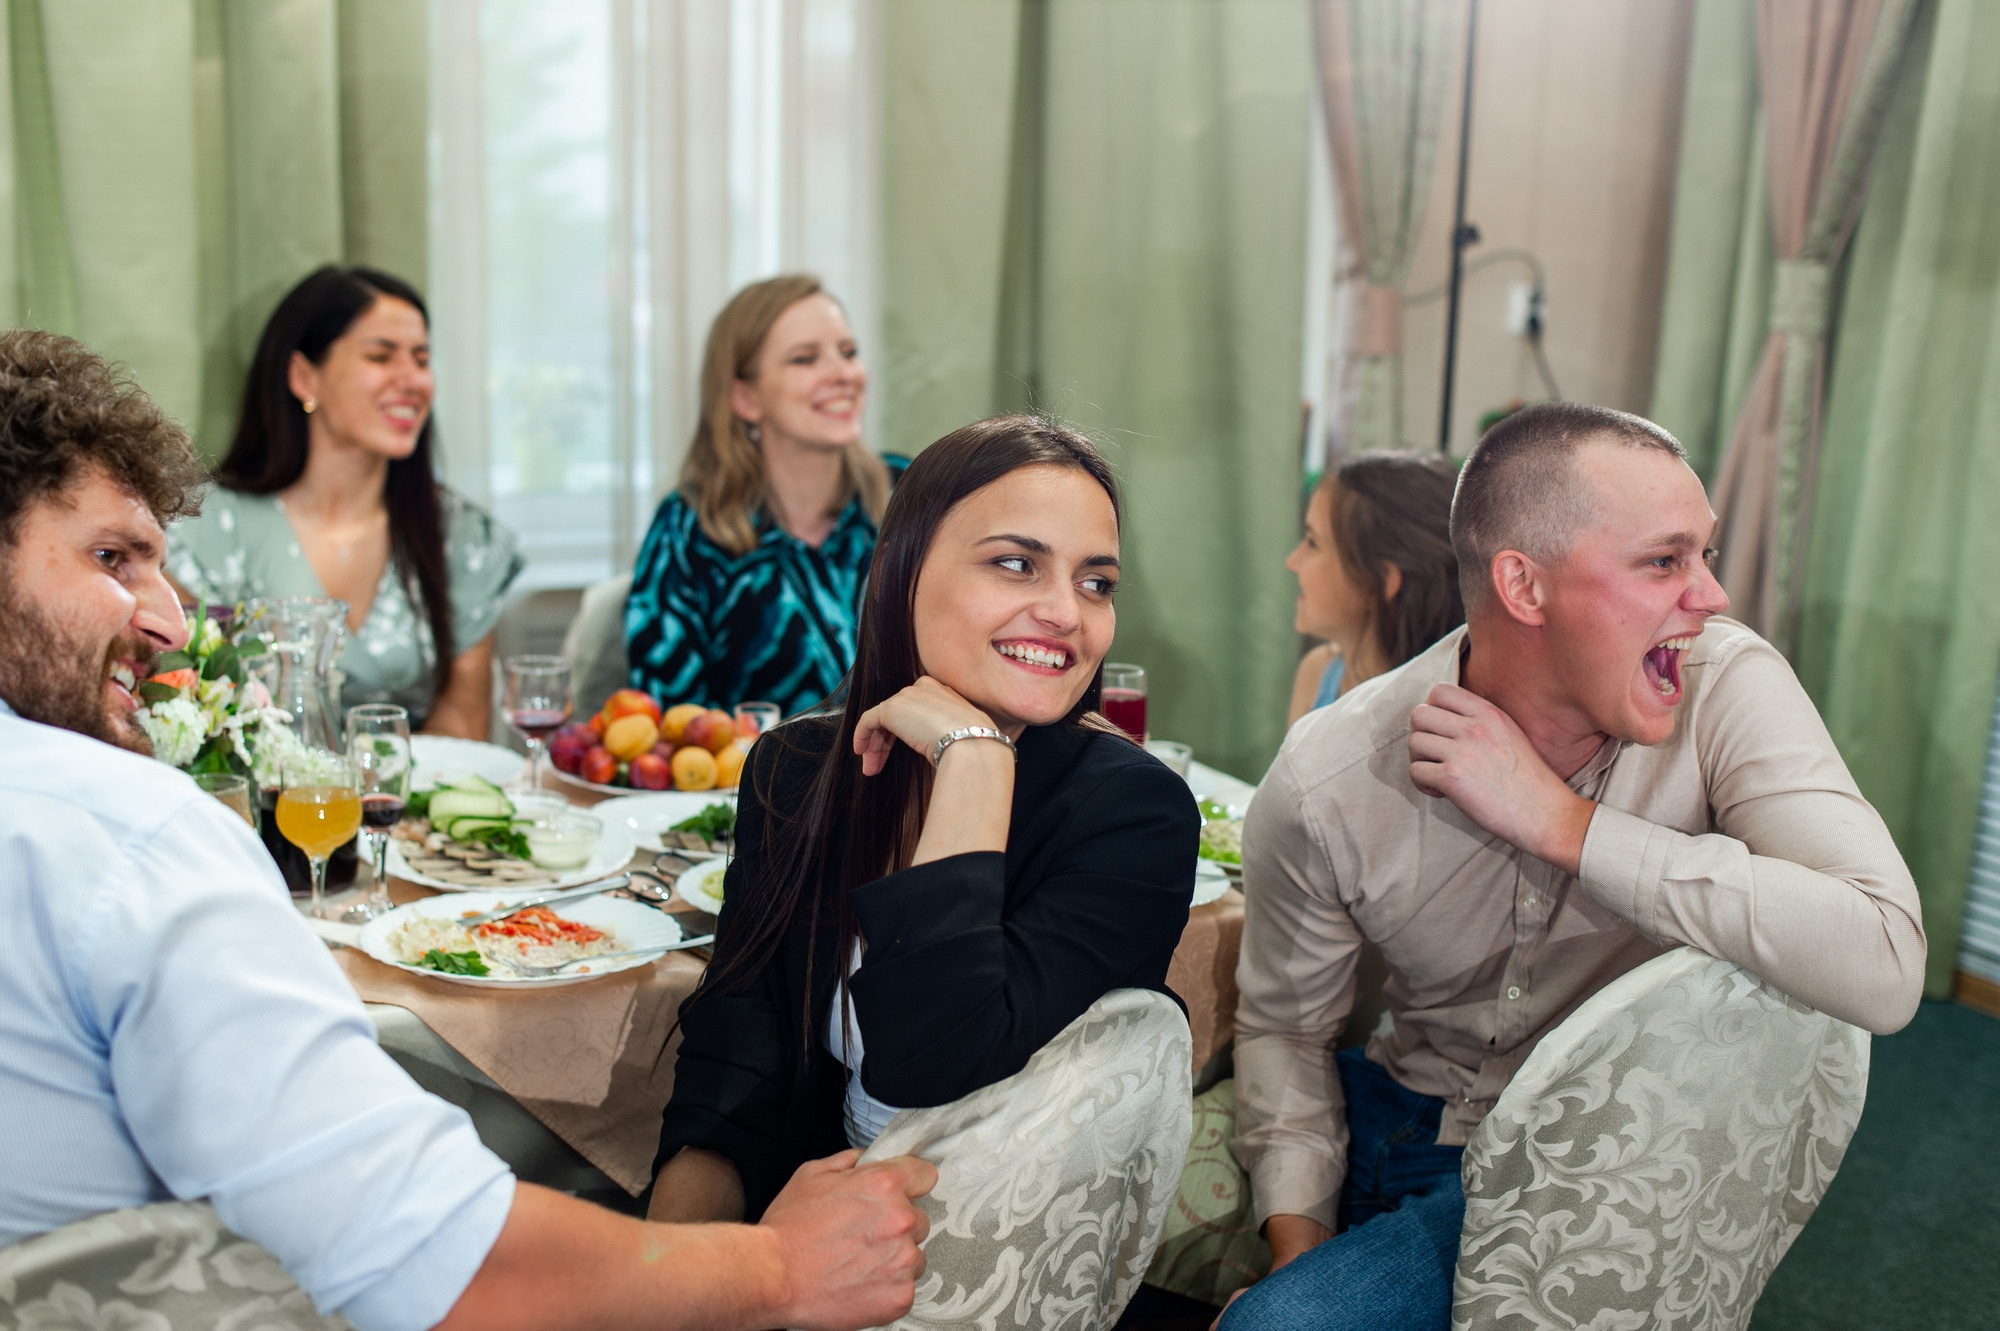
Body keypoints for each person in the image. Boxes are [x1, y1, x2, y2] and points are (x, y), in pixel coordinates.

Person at [0, 328, 936, 1331]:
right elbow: (445, 1260)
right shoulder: (128, 836)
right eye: (111, 557)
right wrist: (782, 1266)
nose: (172, 624)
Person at [1225, 402, 1925, 1330]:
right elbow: (1286, 1029)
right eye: (1665, 560)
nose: (1713, 595)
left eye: (1705, 554)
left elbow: (1886, 958)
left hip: (1618, 1149)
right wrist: (1297, 1245)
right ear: (1524, 585)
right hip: (1412, 1121)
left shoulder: (1726, 686)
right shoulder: (1331, 776)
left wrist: (1569, 825)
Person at [649, 415, 1198, 1223]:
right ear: (900, 572)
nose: (1066, 611)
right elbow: (732, 1062)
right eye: (1016, 563)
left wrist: (975, 760)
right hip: (799, 1220)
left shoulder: (1135, 816)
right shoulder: (794, 768)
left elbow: (927, 1059)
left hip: (984, 1249)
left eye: (1096, 583)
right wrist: (687, 1263)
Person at [167, 265, 519, 737]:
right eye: (380, 356)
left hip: (412, 784)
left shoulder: (462, 537)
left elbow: (462, 724)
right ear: (303, 377)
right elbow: (183, 714)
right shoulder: (200, 530)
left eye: (421, 359)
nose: (412, 379)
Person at [626, 274, 904, 718]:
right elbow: (672, 721)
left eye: (849, 352)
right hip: (749, 766)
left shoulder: (911, 492)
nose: (843, 374)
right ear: (745, 397)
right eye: (805, 359)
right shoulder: (687, 527)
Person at [1284, 453, 1462, 726]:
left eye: (1313, 542)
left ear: (1377, 581)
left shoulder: (1442, 721)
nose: (1293, 561)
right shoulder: (1317, 672)